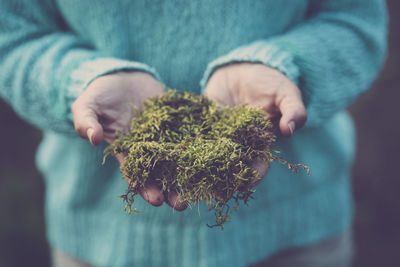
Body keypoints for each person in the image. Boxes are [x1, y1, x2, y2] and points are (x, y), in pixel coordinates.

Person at [0, 0, 387, 266]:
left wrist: (285, 66)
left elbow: (356, 20)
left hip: (296, 235)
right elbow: (12, 36)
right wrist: (81, 82)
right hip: (99, 241)